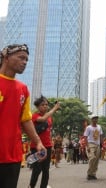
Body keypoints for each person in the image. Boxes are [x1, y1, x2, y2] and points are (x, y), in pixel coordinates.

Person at [0, 44, 46, 188]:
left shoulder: (23, 89)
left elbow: (25, 119)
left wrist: (38, 142)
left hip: (13, 154)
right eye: (21, 58)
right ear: (6, 57)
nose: (25, 62)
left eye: (27, 59)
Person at [29, 96, 60, 188]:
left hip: (48, 146)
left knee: (46, 170)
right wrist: (54, 108)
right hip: (37, 147)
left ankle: (44, 186)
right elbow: (42, 119)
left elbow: (49, 131)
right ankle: (31, 186)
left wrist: (52, 144)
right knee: (37, 169)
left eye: (46, 105)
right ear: (38, 107)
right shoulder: (35, 116)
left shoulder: (50, 118)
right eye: (43, 105)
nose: (45, 106)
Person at [83, 115, 103, 180]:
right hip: (91, 144)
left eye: (96, 118)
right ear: (91, 120)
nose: (95, 120)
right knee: (92, 158)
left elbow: (101, 135)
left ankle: (93, 174)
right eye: (94, 119)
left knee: (96, 160)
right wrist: (87, 146)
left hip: (97, 145)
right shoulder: (88, 127)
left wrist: (101, 145)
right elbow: (85, 137)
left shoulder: (99, 127)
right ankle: (89, 173)